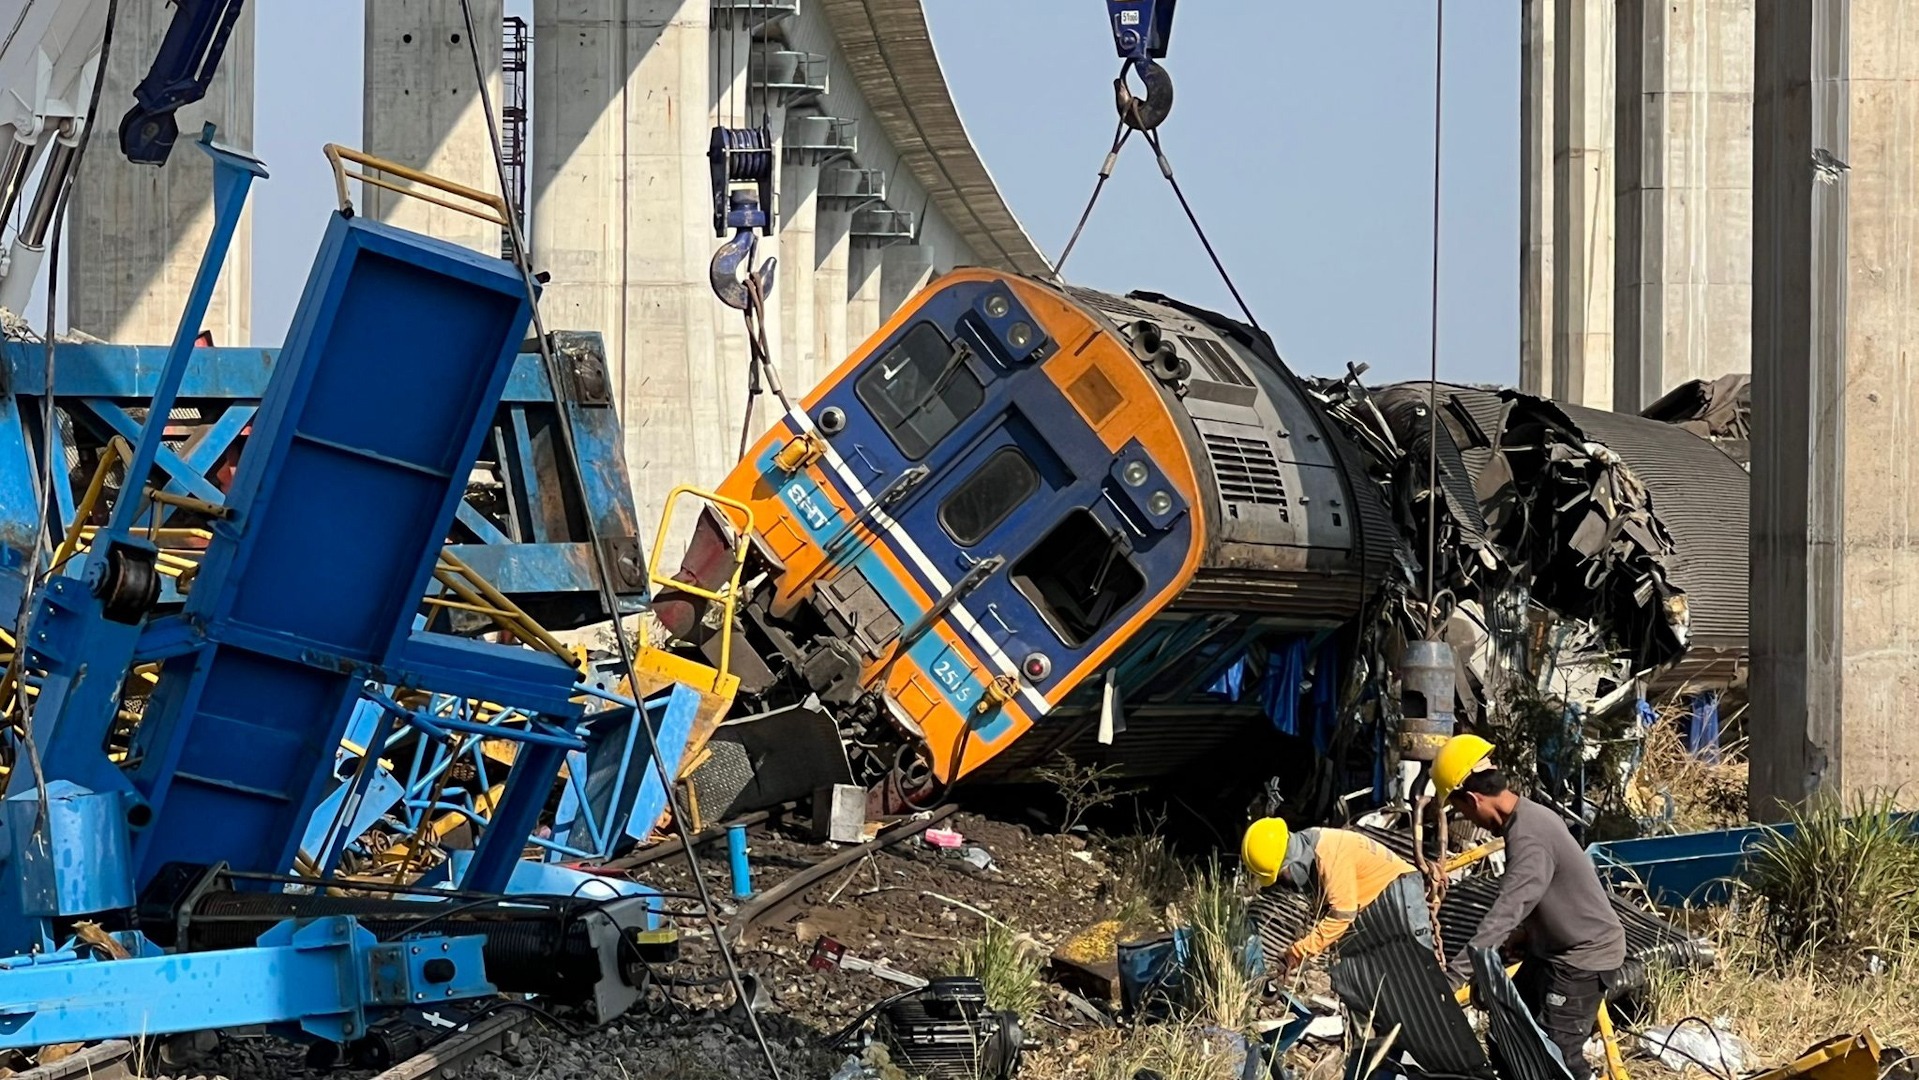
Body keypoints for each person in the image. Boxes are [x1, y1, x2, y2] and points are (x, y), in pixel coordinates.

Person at [1434, 734, 1627, 1080]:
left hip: (1582, 959)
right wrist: (1526, 935)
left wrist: (1450, 979)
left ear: (1473, 799)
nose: (1465, 817)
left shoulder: (1529, 836)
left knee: (1556, 1057)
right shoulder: (1525, 818)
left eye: (1459, 808)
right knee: (1507, 1039)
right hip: (1554, 951)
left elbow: (1508, 908)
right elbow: (1541, 897)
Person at [1240, 817, 1432, 975]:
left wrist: (1297, 953)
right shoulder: (1313, 841)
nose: (1286, 885)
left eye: (1281, 877)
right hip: (1386, 905)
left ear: (1290, 864)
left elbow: (1342, 916)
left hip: (1402, 901)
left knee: (1414, 981)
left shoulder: (1328, 855)